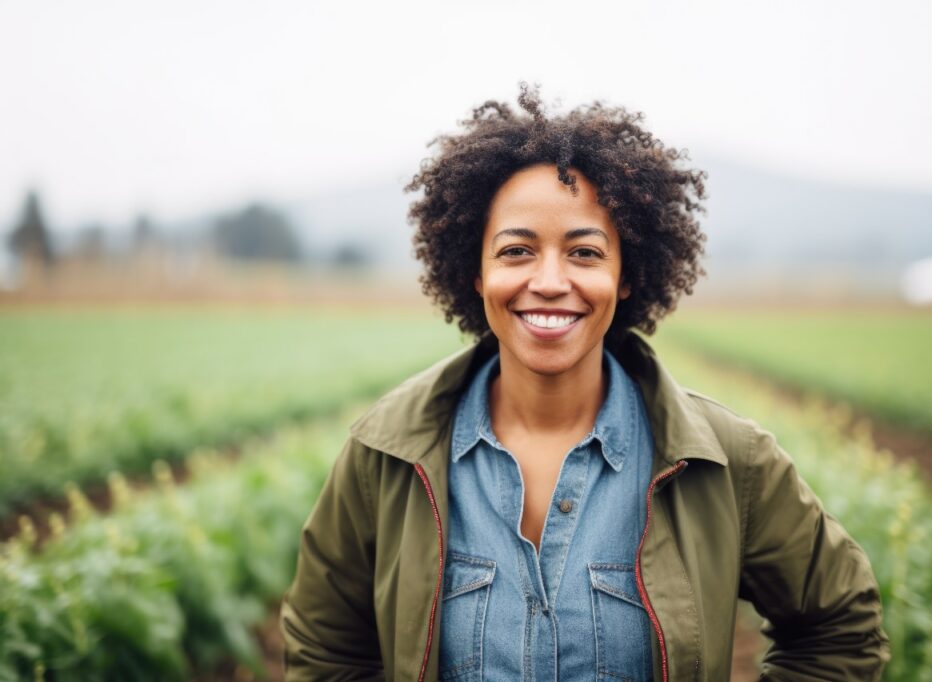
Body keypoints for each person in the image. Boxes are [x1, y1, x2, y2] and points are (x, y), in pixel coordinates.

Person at [280, 83, 890, 681]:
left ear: (627, 275)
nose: (549, 280)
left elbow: (839, 628)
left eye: (585, 253)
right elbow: (324, 651)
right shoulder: (382, 458)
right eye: (517, 250)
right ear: (476, 272)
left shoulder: (731, 463)